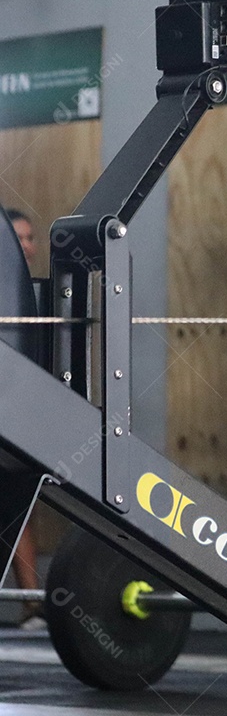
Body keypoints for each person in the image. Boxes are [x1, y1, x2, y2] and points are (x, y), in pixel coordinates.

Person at [3, 207, 45, 631]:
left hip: (24, 419)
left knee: (20, 508)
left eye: (31, 237)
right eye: (18, 238)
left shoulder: (37, 296)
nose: (29, 246)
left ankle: (33, 605)